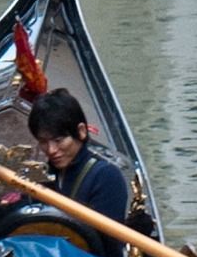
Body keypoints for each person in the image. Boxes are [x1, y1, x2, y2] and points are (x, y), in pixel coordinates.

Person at [25, 90, 133, 234]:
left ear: (81, 131)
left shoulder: (106, 176)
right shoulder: (45, 175)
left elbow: (106, 242)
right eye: (43, 142)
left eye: (59, 140)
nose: (51, 150)